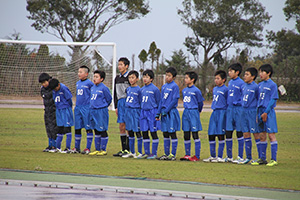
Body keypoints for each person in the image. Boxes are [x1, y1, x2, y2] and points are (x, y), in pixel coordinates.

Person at [251, 64, 279, 167]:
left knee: (271, 135)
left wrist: (266, 112)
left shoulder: (272, 85)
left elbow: (273, 100)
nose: (261, 74)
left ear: (268, 73)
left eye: (263, 72)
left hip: (268, 112)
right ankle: (262, 158)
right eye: (260, 72)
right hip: (260, 111)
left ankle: (274, 159)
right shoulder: (260, 85)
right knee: (262, 135)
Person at [203, 70, 228, 163]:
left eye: (218, 78)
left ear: (223, 79)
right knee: (211, 133)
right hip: (214, 112)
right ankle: (212, 156)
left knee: (220, 134)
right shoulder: (215, 89)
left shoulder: (226, 89)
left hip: (222, 112)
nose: (216, 80)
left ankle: (220, 156)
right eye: (215, 78)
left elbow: (227, 102)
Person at [156, 67, 180, 161]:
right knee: (165, 133)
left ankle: (172, 155)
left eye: (169, 75)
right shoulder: (164, 86)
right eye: (166, 75)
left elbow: (174, 100)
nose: (167, 77)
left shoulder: (175, 86)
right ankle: (166, 154)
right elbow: (161, 101)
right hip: (164, 113)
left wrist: (167, 110)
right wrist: (158, 113)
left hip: (171, 113)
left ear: (173, 77)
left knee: (172, 133)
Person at [180, 71, 204, 162]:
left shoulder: (196, 90)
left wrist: (198, 111)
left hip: (194, 113)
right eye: (185, 78)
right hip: (186, 112)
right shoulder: (184, 90)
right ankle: (187, 154)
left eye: (187, 78)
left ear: (192, 79)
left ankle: (197, 156)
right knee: (186, 133)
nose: (185, 79)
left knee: (195, 134)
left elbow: (200, 103)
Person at [239, 67, 260, 164]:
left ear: (253, 76)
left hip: (252, 111)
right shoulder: (243, 86)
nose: (245, 76)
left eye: (247, 74)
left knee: (255, 133)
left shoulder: (256, 87)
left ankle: (260, 157)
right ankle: (248, 157)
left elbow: (258, 99)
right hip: (243, 111)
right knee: (246, 133)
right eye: (245, 74)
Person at [88, 70, 112, 156]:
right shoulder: (92, 88)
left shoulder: (104, 88)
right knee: (96, 129)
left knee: (102, 129)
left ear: (102, 79)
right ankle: (97, 149)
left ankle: (103, 149)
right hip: (93, 110)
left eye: (96, 77)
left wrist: (103, 106)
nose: (94, 78)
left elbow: (109, 99)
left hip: (101, 111)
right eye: (94, 76)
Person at [138, 69, 161, 159]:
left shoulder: (155, 89)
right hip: (143, 112)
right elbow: (140, 101)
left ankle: (154, 153)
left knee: (153, 132)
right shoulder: (141, 89)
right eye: (144, 76)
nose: (145, 78)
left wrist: (157, 114)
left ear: (151, 79)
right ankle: (146, 152)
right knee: (144, 132)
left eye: (147, 77)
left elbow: (159, 102)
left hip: (152, 112)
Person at [225, 63, 245, 163]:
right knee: (228, 132)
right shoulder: (230, 82)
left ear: (237, 72)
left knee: (239, 132)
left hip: (238, 110)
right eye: (229, 71)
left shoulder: (241, 83)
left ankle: (240, 156)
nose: (229, 73)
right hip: (230, 110)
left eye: (231, 71)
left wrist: (238, 102)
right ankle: (229, 157)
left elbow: (244, 97)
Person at [48, 78, 74, 153]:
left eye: (56, 88)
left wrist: (68, 108)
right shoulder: (53, 90)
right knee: (59, 128)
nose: (55, 90)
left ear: (58, 85)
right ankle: (58, 148)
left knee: (67, 128)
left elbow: (69, 100)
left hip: (65, 110)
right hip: (58, 110)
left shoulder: (64, 88)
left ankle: (68, 148)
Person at [122, 70, 143, 158]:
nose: (131, 79)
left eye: (133, 77)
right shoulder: (128, 89)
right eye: (129, 77)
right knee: (130, 131)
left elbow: (141, 102)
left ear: (137, 79)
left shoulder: (139, 90)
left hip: (135, 112)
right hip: (128, 111)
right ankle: (132, 152)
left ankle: (140, 152)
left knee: (137, 131)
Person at [73, 66, 94, 154]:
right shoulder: (78, 83)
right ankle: (76, 148)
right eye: (78, 72)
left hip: (86, 108)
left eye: (81, 72)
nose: (79, 74)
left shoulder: (90, 83)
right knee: (77, 127)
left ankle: (87, 148)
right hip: (78, 107)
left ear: (86, 74)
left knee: (88, 127)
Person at [113, 57, 131, 157]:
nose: (119, 66)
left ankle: (129, 149)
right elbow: (115, 93)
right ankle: (123, 149)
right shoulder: (117, 78)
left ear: (126, 66)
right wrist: (116, 106)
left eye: (121, 65)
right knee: (121, 126)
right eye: (118, 64)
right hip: (120, 103)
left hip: (128, 103)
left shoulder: (130, 77)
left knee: (128, 126)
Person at [38, 73, 57, 152]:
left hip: (54, 111)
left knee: (54, 128)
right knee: (48, 128)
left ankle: (55, 146)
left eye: (45, 82)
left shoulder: (53, 87)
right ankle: (50, 145)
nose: (44, 84)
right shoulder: (42, 89)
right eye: (42, 83)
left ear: (48, 80)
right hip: (47, 111)